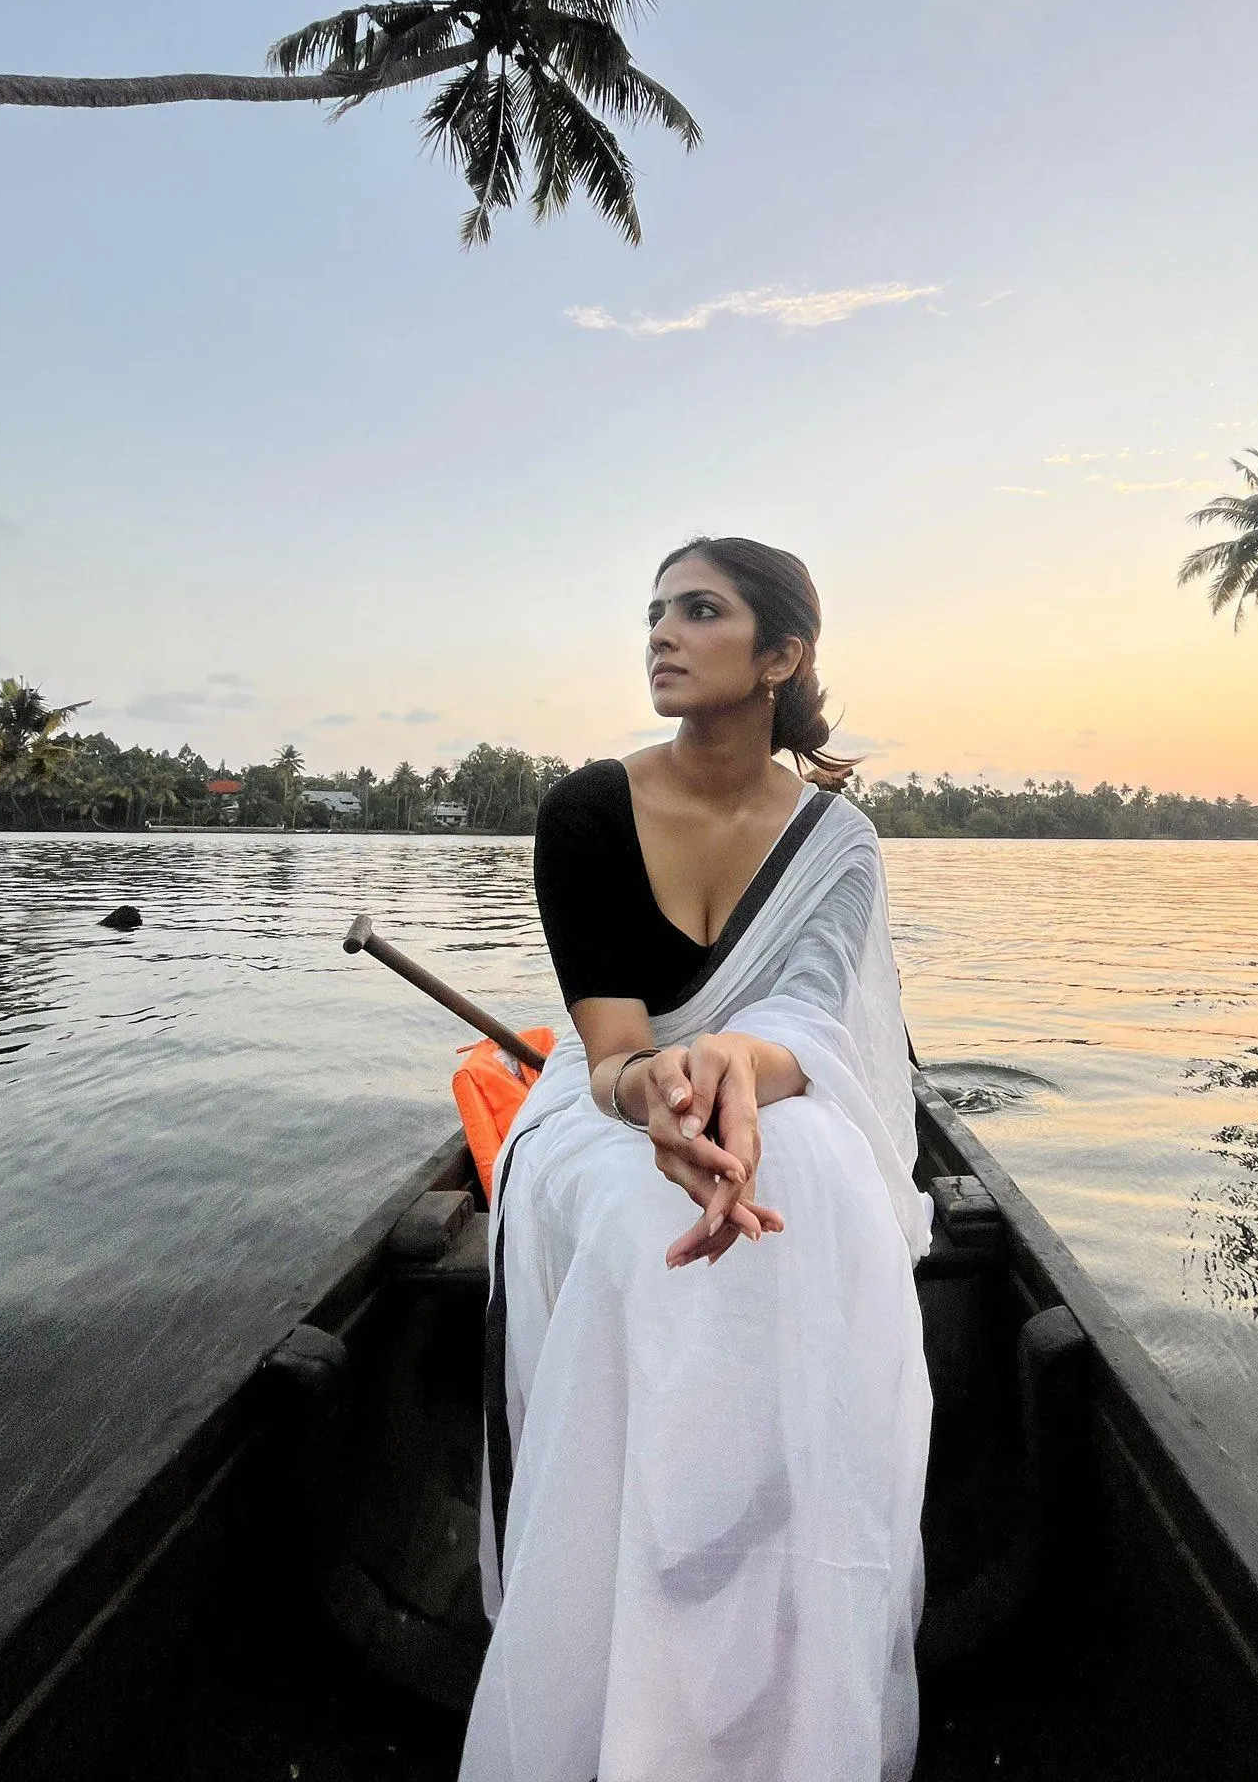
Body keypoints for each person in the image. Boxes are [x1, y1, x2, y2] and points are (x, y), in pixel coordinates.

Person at [458, 537, 933, 1782]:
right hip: (609, 1102)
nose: (662, 633)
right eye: (656, 611)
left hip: (768, 1083)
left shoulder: (838, 841)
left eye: (701, 610)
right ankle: (633, 1610)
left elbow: (813, 1025)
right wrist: (665, 1093)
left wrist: (731, 1070)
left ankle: (781, 1602)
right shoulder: (585, 811)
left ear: (781, 655)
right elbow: (613, 1051)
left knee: (815, 1177)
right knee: (630, 1211)